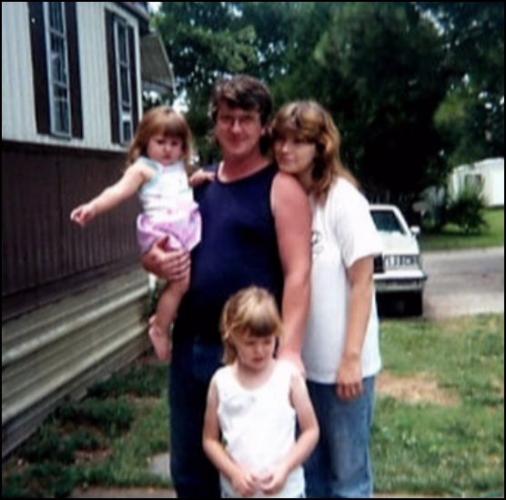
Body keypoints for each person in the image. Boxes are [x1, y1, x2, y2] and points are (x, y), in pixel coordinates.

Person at [142, 75, 312, 497]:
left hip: (252, 354)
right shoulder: (198, 185)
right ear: (214, 123)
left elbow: (299, 272)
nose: (236, 129)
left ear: (263, 126)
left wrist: (288, 350)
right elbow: (160, 245)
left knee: (252, 477)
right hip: (192, 345)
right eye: (227, 118)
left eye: (247, 119)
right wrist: (154, 259)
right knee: (191, 472)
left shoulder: (281, 187)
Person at [271, 101, 383, 498]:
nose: (286, 149)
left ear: (321, 145)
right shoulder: (288, 198)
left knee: (348, 480)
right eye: (281, 139)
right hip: (302, 371)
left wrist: (351, 358)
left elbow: (363, 281)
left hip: (343, 371)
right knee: (311, 480)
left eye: (298, 141)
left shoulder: (342, 199)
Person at [70, 106, 212, 361]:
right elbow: (117, 191)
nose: (167, 149)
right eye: (160, 142)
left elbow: (180, 188)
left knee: (184, 281)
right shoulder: (144, 169)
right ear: (146, 142)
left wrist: (195, 179)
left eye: (175, 143)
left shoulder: (179, 168)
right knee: (181, 282)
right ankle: (159, 327)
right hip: (163, 232)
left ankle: (169, 313)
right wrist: (93, 207)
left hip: (184, 228)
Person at [203, 286, 319, 498]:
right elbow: (210, 440)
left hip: (286, 492)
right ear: (232, 336)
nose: (260, 350)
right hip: (238, 493)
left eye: (267, 341)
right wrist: (234, 473)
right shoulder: (221, 382)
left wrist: (285, 468)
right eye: (250, 343)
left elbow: (311, 431)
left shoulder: (289, 378)